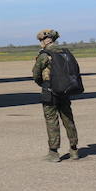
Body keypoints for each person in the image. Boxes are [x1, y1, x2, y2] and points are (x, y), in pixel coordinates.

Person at [33, 29, 79, 162]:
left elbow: (36, 74)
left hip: (50, 91)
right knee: (68, 119)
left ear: (44, 40)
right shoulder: (65, 52)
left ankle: (53, 152)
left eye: (41, 41)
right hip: (65, 90)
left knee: (52, 121)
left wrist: (43, 83)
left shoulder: (45, 54)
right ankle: (74, 150)